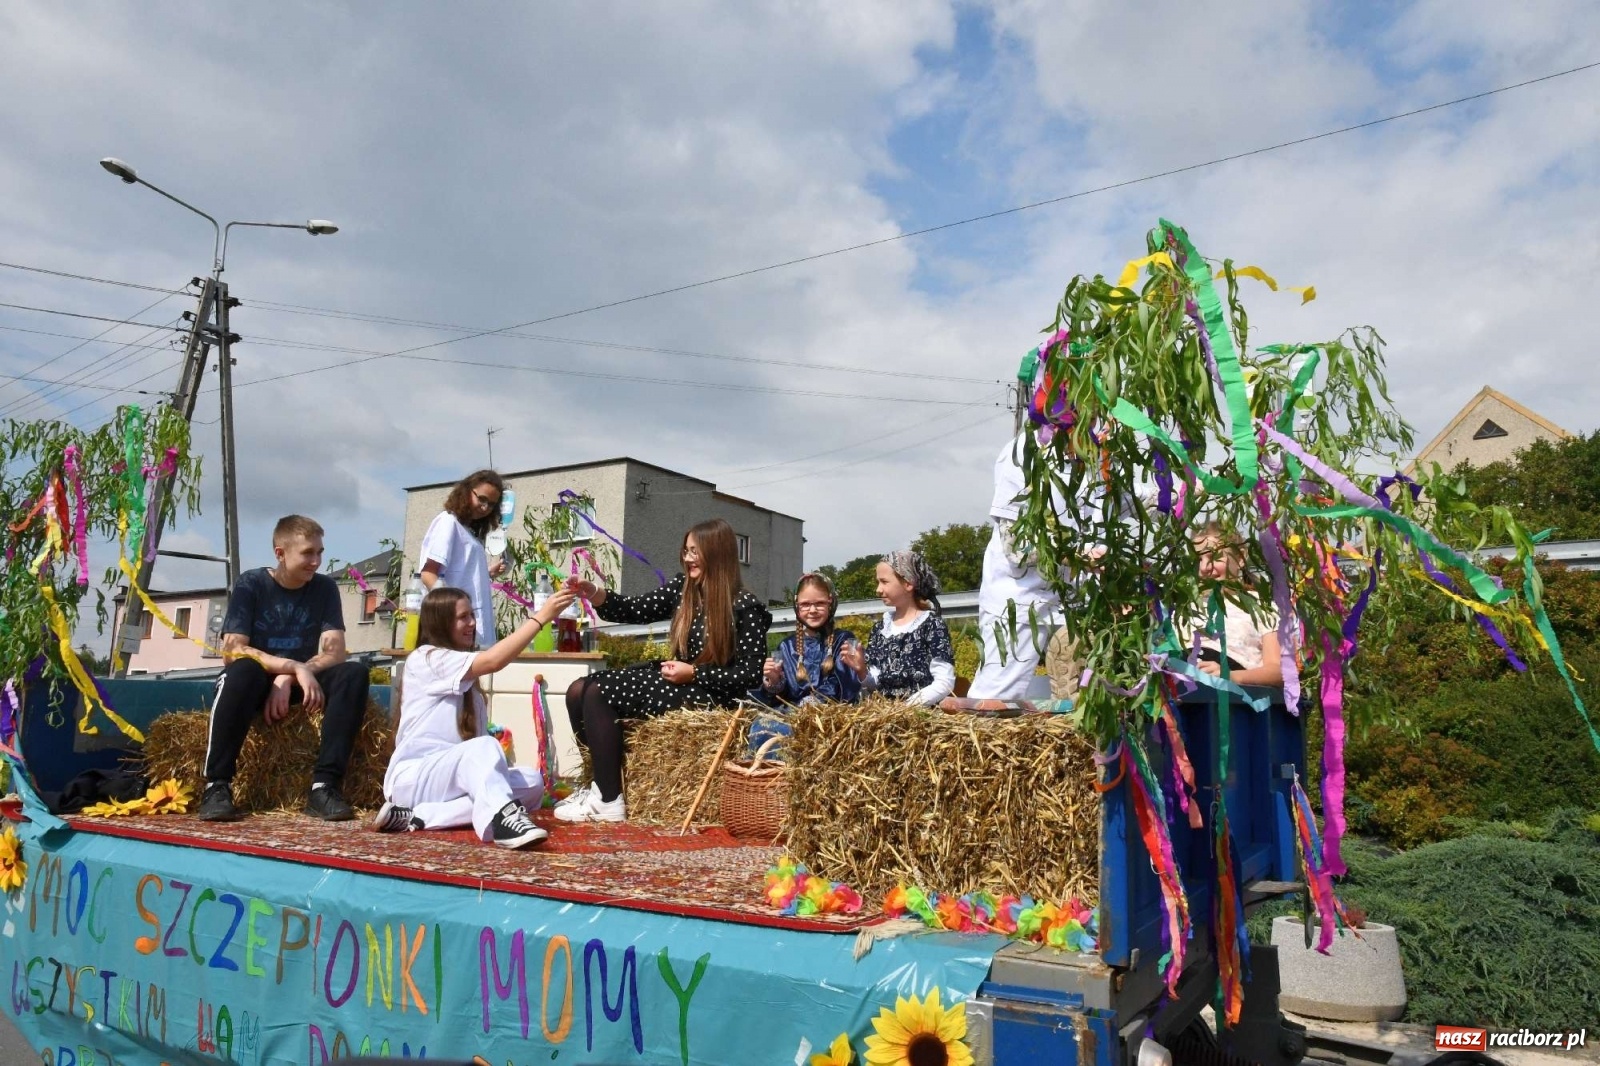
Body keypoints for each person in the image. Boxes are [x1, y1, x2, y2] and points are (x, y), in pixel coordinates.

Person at [555, 518, 772, 823]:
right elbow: (634, 609)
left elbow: (749, 675)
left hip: (711, 694)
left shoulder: (744, 606)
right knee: (578, 690)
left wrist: (695, 674)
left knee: (599, 693)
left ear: (716, 553)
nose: (687, 558)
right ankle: (597, 784)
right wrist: (593, 592)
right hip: (676, 680)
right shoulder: (683, 590)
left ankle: (608, 800)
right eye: (685, 551)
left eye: (695, 552)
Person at [370, 583, 577, 847]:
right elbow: (493, 661)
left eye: (471, 615)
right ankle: (503, 822)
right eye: (462, 617)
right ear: (442, 623)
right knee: (485, 748)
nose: (471, 623)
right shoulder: (426, 658)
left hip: (450, 782)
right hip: (416, 778)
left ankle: (420, 816)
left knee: (532, 783)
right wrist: (540, 618)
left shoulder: (469, 684)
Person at [199, 515, 371, 822]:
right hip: (253, 683)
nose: (316, 561)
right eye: (308, 553)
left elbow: (336, 652)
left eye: (320, 552)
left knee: (354, 673)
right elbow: (233, 649)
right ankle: (217, 785)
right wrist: (292, 667)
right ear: (280, 553)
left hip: (298, 683)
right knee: (242, 670)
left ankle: (323, 786)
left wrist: (289, 677)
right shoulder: (252, 584)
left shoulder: (325, 588)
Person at [969, 432, 1062, 700]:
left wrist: (1179, 491)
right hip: (1018, 601)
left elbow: (1119, 501)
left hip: (1069, 597)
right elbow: (1018, 550)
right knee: (998, 694)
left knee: (1086, 687)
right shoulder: (1027, 451)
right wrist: (1077, 553)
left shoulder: (1092, 455)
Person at [840, 550, 956, 706]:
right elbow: (876, 684)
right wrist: (862, 670)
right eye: (878, 582)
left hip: (920, 714)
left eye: (884, 582)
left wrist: (907, 708)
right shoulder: (880, 628)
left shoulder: (931, 625)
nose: (878, 589)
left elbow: (944, 682)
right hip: (885, 714)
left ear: (908, 583)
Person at [1185, 522, 1286, 687]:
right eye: (1198, 560)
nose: (1203, 568)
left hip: (1231, 693)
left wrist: (1231, 676)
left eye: (1214, 557)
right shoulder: (1187, 609)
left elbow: (1279, 671)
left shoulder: (1261, 607)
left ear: (1240, 557)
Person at [418, 469, 507, 649]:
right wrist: (451, 613)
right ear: (467, 491)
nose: (485, 507)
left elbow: (458, 574)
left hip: (469, 629)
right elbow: (428, 573)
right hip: (454, 630)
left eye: (491, 504)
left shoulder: (466, 530)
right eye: (481, 499)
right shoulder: (448, 522)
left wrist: (486, 573)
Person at [753, 572, 862, 708]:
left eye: (820, 603)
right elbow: (777, 699)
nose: (812, 610)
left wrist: (812, 703)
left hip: (831, 714)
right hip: (793, 715)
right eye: (805, 604)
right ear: (797, 606)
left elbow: (847, 684)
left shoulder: (846, 640)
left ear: (831, 603)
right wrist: (774, 681)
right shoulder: (785, 647)